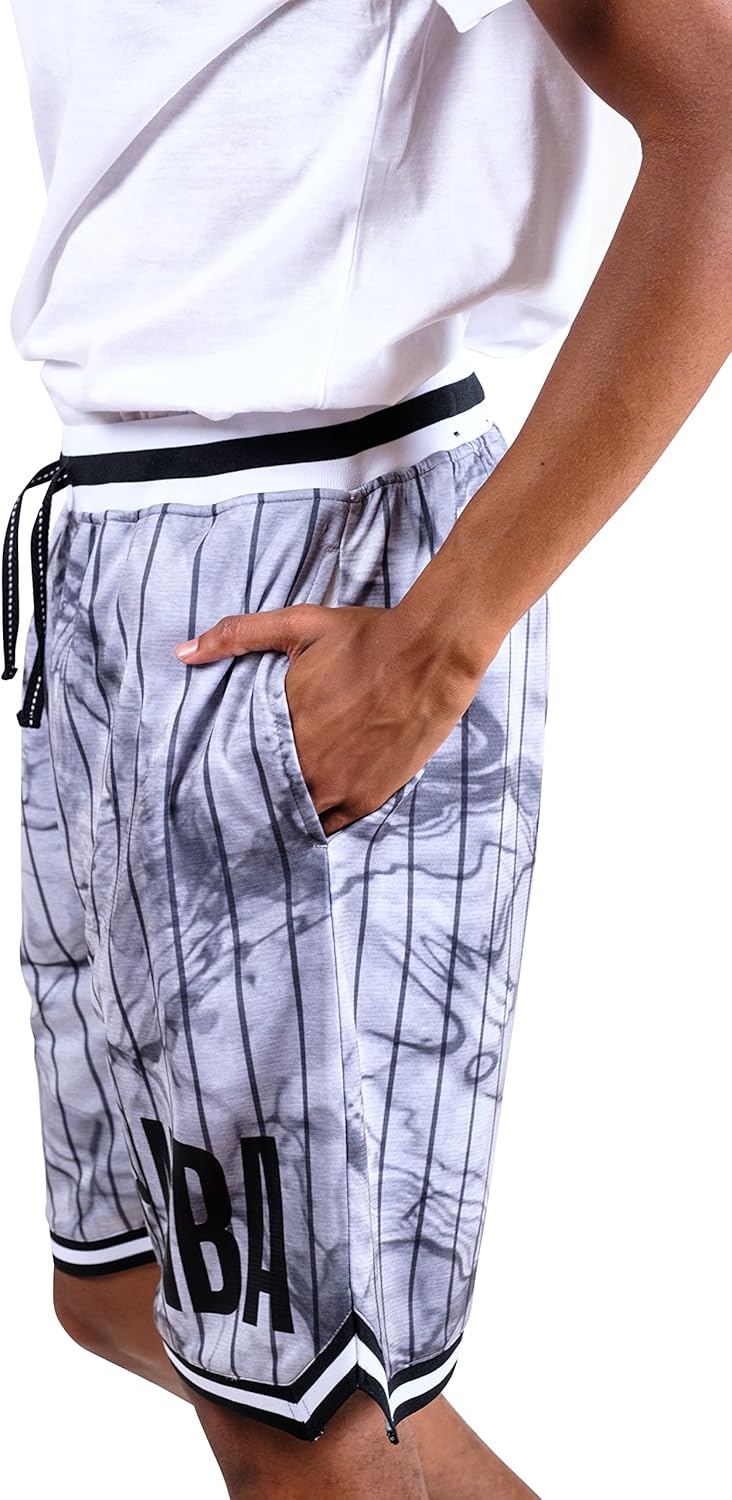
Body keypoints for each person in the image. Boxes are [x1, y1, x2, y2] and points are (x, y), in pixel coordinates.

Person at [4, 1, 730, 1496]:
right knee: (125, 1295)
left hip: (313, 549)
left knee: (304, 1420)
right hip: (106, 538)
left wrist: (434, 648)